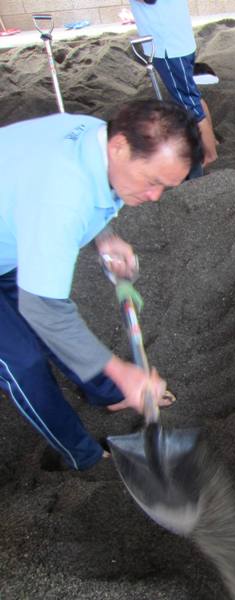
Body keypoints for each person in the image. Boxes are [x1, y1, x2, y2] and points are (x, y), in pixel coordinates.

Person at [0, 99, 203, 471]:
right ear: (120, 147)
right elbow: (43, 308)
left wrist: (105, 236)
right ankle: (84, 455)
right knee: (23, 361)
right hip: (21, 231)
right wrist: (122, 370)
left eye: (166, 187)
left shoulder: (97, 135)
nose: (154, 196)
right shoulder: (61, 194)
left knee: (53, 325)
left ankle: (108, 393)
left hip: (11, 236)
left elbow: (74, 200)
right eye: (152, 181)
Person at [129, 0, 218, 173]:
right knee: (192, 97)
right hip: (179, 40)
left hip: (167, 46)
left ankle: (210, 155)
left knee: (188, 104)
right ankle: (211, 141)